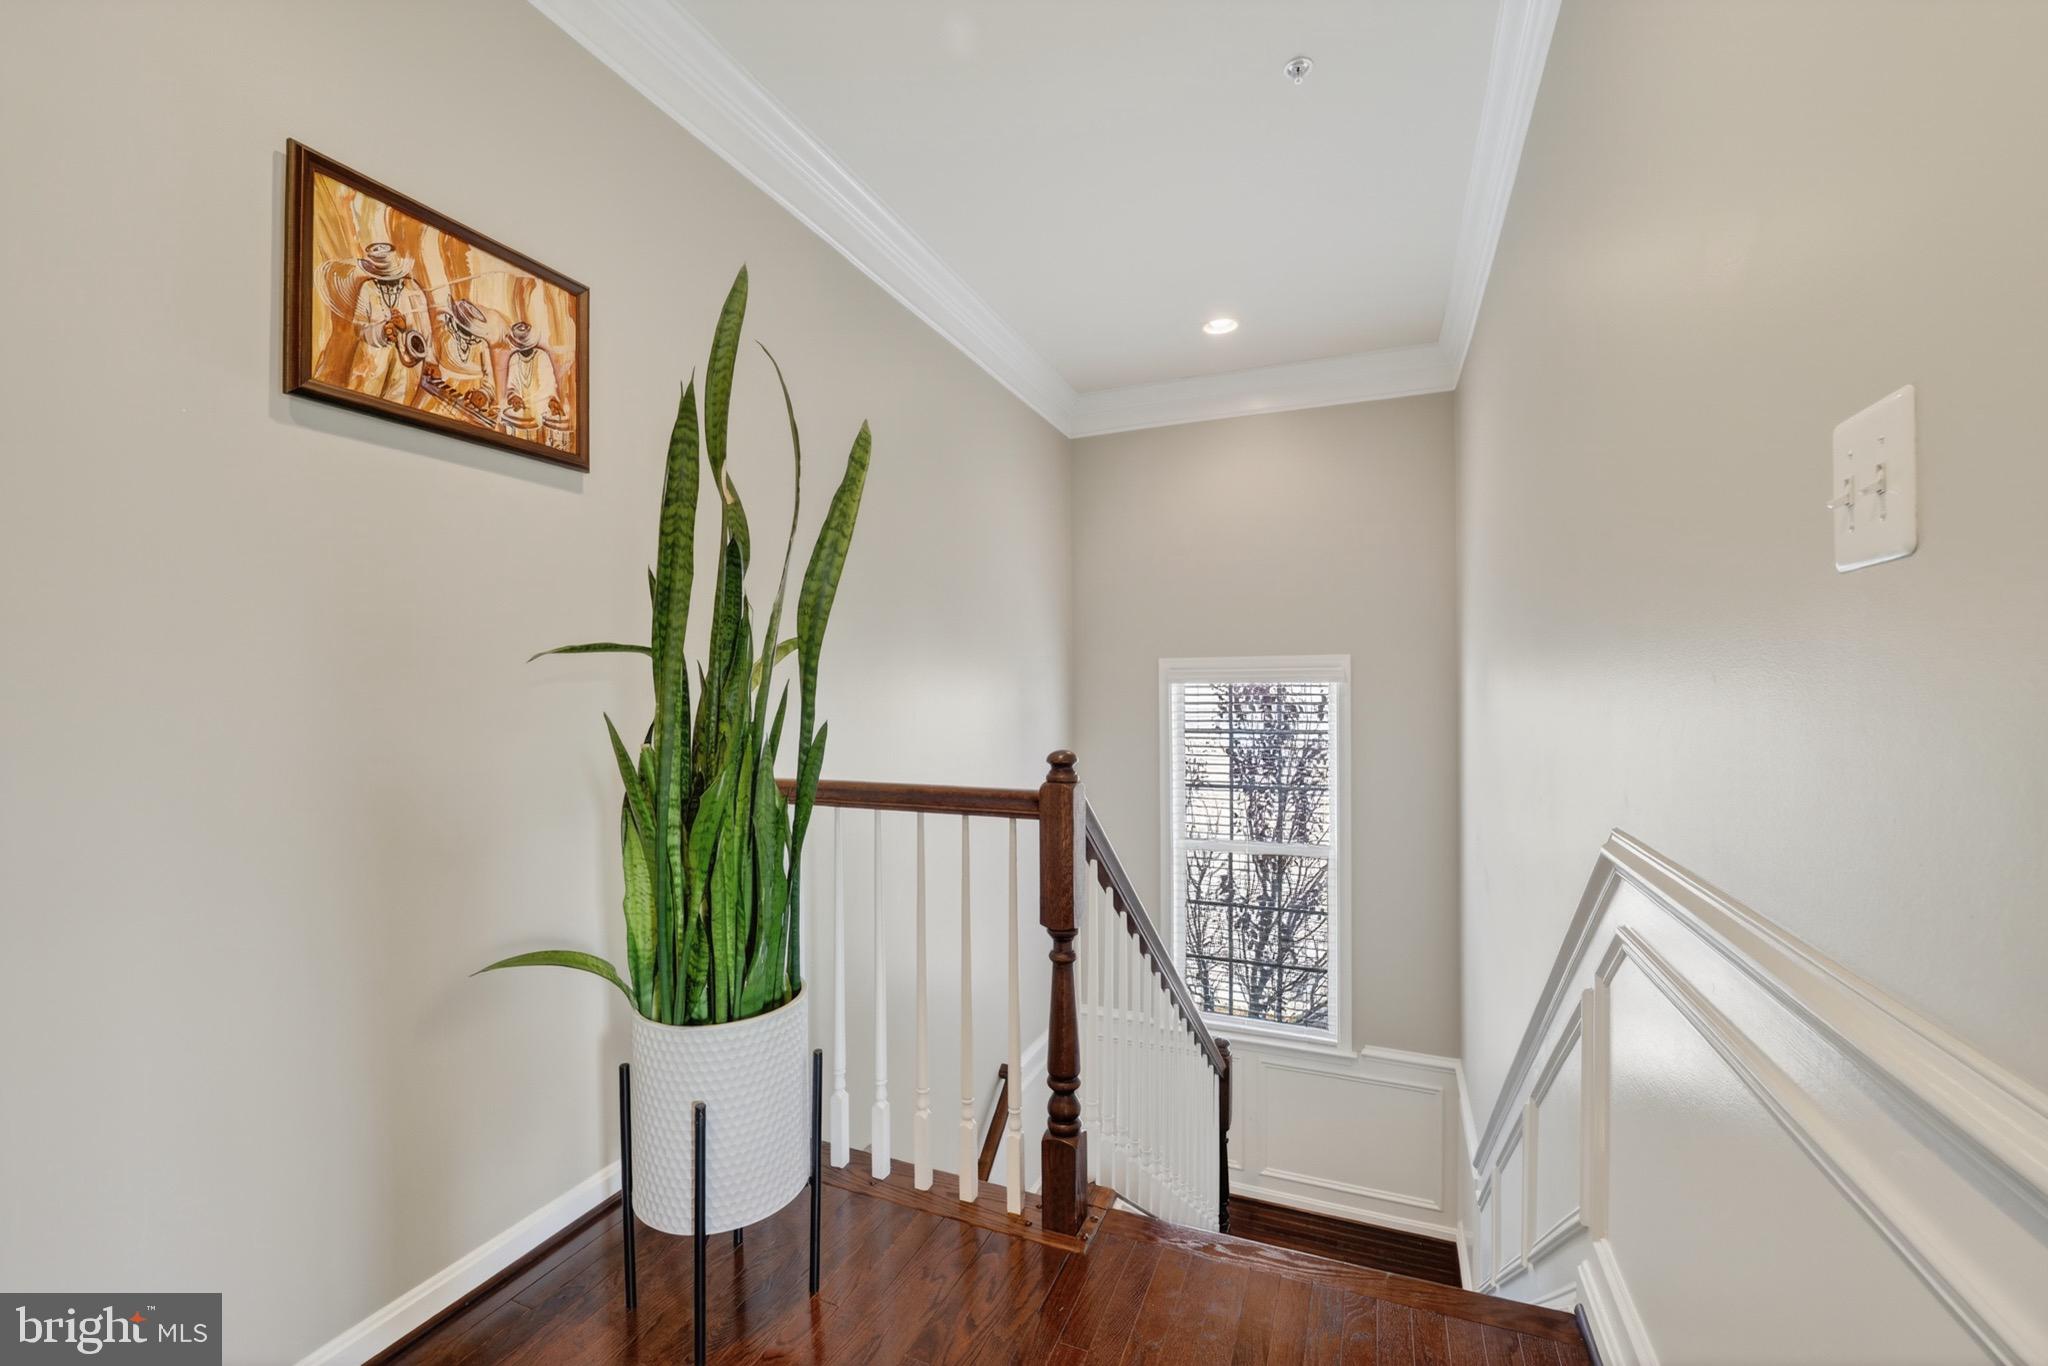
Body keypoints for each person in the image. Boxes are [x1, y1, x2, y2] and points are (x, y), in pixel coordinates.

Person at [344, 243, 431, 403]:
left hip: (405, 367)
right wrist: (383, 331)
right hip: (371, 364)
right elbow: (359, 328)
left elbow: (425, 331)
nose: (389, 281)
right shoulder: (367, 288)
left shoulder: (413, 290)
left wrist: (405, 327)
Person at [497, 320, 563, 445]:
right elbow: (511, 387)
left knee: (547, 418)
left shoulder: (542, 356)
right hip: (520, 405)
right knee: (504, 413)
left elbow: (548, 385)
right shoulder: (514, 358)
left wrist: (551, 401)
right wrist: (514, 396)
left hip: (541, 404)